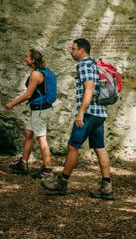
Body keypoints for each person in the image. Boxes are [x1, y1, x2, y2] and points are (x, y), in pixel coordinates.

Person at [41, 38, 113, 199]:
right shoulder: (94, 64)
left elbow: (89, 88)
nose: (71, 52)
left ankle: (62, 183)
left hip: (88, 114)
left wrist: (81, 112)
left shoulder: (84, 64)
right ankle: (106, 187)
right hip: (99, 113)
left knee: (73, 146)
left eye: (73, 49)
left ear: (81, 50)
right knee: (99, 147)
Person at [4, 49, 54, 179]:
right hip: (40, 109)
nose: (25, 58)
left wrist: (12, 103)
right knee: (28, 133)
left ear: (32, 60)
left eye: (27, 57)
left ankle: (48, 170)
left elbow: (28, 94)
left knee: (41, 138)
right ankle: (23, 163)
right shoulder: (44, 71)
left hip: (40, 110)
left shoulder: (36, 74)